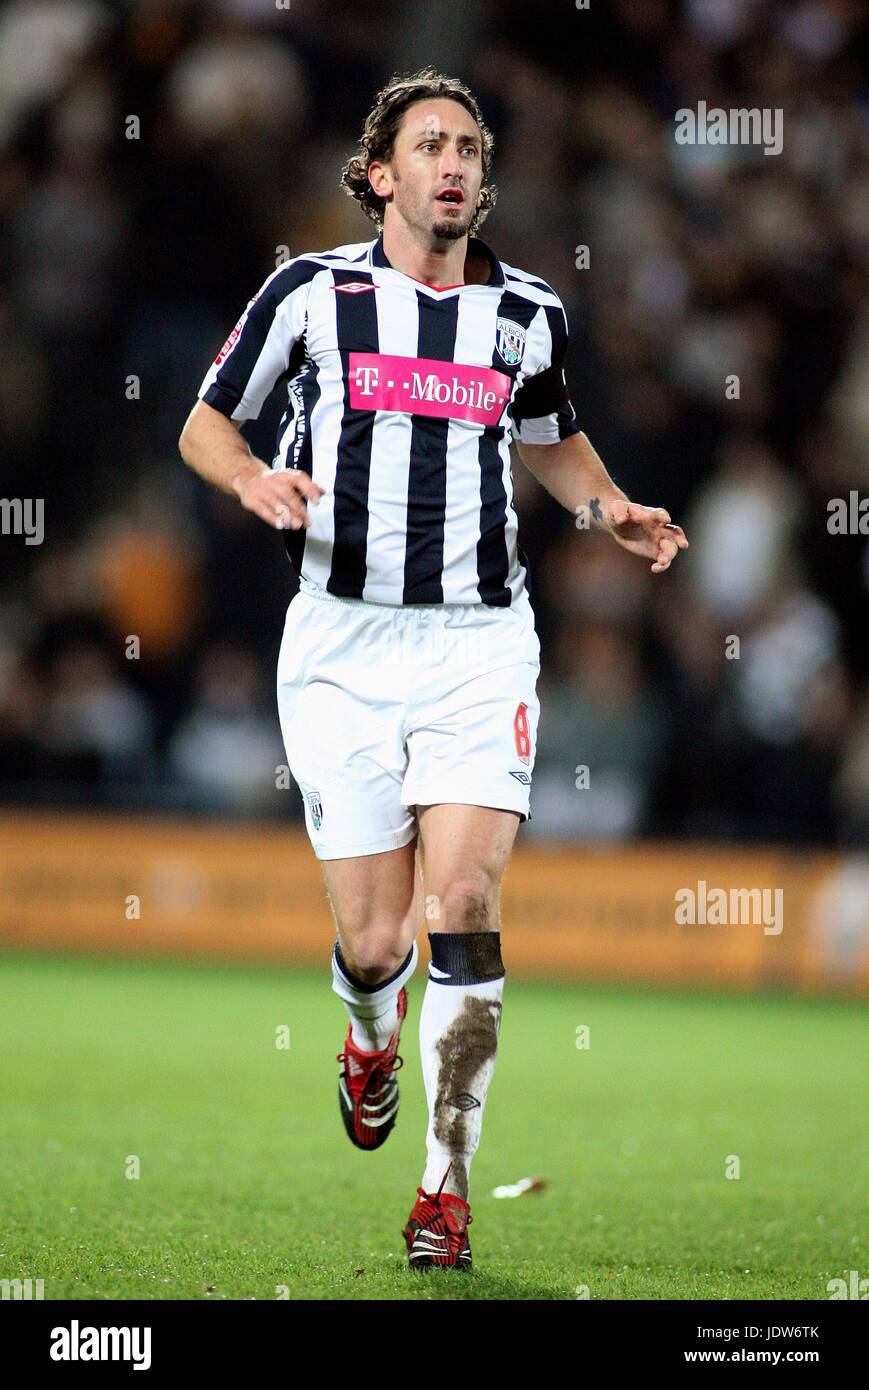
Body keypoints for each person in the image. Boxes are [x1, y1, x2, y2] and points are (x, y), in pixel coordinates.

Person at [178, 67, 688, 1271]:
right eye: (429, 145)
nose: (453, 163)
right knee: (371, 940)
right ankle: (367, 1035)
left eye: (468, 146)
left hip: (476, 643)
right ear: (379, 174)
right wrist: (248, 477)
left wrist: (606, 507)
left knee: (459, 904)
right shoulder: (308, 293)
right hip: (341, 646)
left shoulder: (526, 314)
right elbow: (205, 419)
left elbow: (552, 440)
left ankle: (444, 1187)